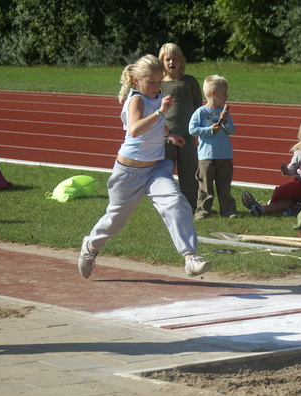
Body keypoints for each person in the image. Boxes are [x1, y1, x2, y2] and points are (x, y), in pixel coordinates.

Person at [78, 55, 211, 279]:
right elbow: (135, 129)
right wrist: (160, 111)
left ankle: (190, 258)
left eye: (159, 82)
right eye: (151, 82)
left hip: (156, 167)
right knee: (115, 220)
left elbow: (156, 125)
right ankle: (90, 247)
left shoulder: (157, 96)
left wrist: (170, 135)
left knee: (176, 203)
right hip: (129, 172)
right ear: (136, 80)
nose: (156, 87)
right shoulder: (136, 99)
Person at [241, 121, 301, 216]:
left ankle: (294, 209)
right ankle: (261, 208)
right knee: (282, 192)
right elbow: (292, 169)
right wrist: (286, 170)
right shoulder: (300, 153)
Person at [159, 43, 203, 213]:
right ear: (162, 62)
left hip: (188, 137)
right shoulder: (159, 84)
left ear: (181, 61)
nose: (171, 62)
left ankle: (191, 205)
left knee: (190, 173)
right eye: (167, 59)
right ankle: (168, 205)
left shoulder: (189, 81)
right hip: (166, 137)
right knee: (164, 173)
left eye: (174, 59)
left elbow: (198, 105)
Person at [189, 75, 237, 220]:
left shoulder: (224, 112)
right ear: (214, 93)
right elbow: (192, 129)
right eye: (224, 93)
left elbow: (232, 130)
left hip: (224, 156)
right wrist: (210, 131)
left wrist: (226, 121)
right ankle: (203, 211)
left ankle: (228, 211)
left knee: (224, 187)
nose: (227, 96)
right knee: (205, 187)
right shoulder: (201, 112)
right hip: (206, 157)